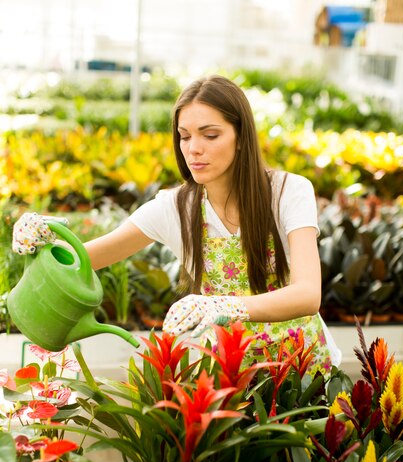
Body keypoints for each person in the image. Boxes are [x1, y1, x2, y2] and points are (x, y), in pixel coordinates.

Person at [12, 75, 341, 376]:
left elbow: (307, 294)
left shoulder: (288, 191)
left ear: (241, 137)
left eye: (210, 135)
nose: (193, 148)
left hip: (302, 370)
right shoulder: (176, 208)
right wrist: (39, 241)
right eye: (185, 137)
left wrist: (222, 304)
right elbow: (83, 259)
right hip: (231, 378)